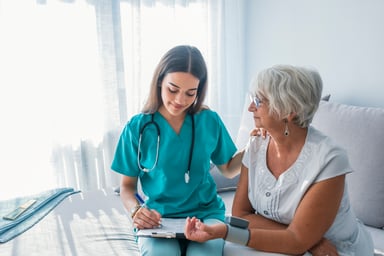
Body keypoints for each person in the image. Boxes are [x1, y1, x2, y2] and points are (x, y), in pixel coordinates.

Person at [184, 65, 374, 255]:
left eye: (258, 101)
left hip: (334, 250)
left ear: (288, 111)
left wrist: (227, 232)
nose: (251, 107)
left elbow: (296, 241)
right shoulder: (257, 145)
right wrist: (311, 241)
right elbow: (241, 214)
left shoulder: (329, 160)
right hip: (306, 244)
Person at [110, 45, 244, 256]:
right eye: (173, 90)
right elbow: (127, 187)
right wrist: (137, 211)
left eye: (190, 93)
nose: (180, 100)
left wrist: (254, 146)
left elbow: (227, 169)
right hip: (159, 216)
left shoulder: (208, 121)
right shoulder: (138, 128)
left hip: (205, 214)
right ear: (160, 81)